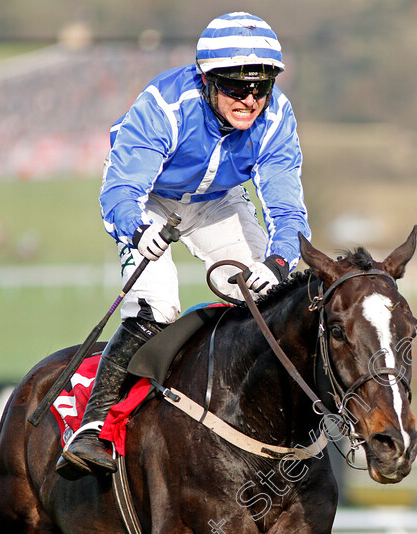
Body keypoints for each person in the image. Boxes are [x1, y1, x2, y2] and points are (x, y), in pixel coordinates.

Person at [56, 12, 310, 480]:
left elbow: (287, 208)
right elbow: (120, 190)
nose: (250, 100)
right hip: (149, 199)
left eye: (261, 86)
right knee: (158, 307)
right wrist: (135, 229)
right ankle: (94, 423)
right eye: (236, 86)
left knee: (276, 298)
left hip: (218, 201)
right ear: (207, 79)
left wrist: (277, 262)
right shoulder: (164, 105)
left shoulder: (277, 118)